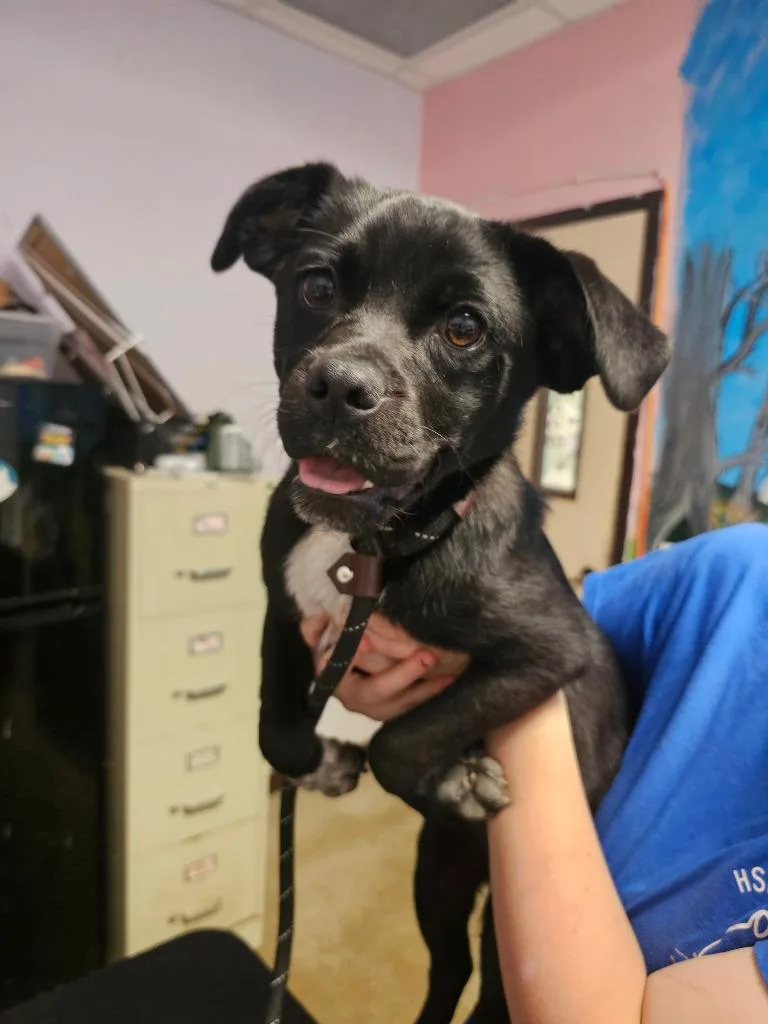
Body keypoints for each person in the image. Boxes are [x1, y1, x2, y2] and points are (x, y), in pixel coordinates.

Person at [300, 523, 768, 1023]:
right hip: (485, 841)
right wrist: (389, 663)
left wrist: (511, 683)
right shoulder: (739, 575)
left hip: (529, 969)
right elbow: (546, 621)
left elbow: (534, 650)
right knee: (448, 949)